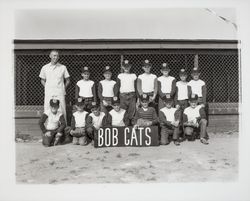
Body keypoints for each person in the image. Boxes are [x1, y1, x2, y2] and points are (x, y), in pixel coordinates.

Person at [39, 50, 70, 121]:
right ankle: (48, 128)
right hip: (49, 92)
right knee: (47, 109)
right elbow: (42, 80)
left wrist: (63, 88)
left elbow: (68, 80)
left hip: (59, 92)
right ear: (50, 56)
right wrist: (47, 87)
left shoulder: (63, 67)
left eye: (57, 56)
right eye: (54, 55)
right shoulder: (45, 67)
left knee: (61, 110)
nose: (55, 57)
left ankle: (62, 129)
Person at [116, 60, 137, 125]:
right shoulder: (120, 75)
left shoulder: (133, 75)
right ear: (122, 67)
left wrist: (137, 97)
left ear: (130, 66)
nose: (126, 68)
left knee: (132, 111)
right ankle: (125, 126)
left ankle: (133, 127)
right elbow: (118, 86)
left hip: (132, 95)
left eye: (128, 66)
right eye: (125, 66)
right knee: (123, 111)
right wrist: (116, 97)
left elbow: (136, 87)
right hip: (123, 95)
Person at [175, 68, 189, 140]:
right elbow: (176, 94)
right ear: (179, 76)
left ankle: (185, 134)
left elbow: (189, 94)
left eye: (184, 75)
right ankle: (179, 135)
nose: (183, 77)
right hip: (179, 102)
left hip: (186, 101)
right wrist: (176, 103)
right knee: (179, 118)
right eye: (181, 75)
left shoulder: (188, 83)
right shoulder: (177, 83)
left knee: (185, 118)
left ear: (186, 76)